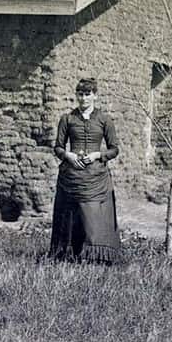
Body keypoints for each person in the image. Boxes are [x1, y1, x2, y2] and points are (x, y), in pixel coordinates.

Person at [49, 77, 122, 263]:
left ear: (95, 96)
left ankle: (96, 258)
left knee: (93, 218)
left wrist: (98, 155)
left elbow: (114, 149)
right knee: (70, 218)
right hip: (72, 175)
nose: (83, 98)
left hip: (95, 176)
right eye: (80, 94)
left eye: (87, 94)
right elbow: (58, 147)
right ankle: (68, 255)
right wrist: (69, 156)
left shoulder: (104, 120)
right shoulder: (67, 119)